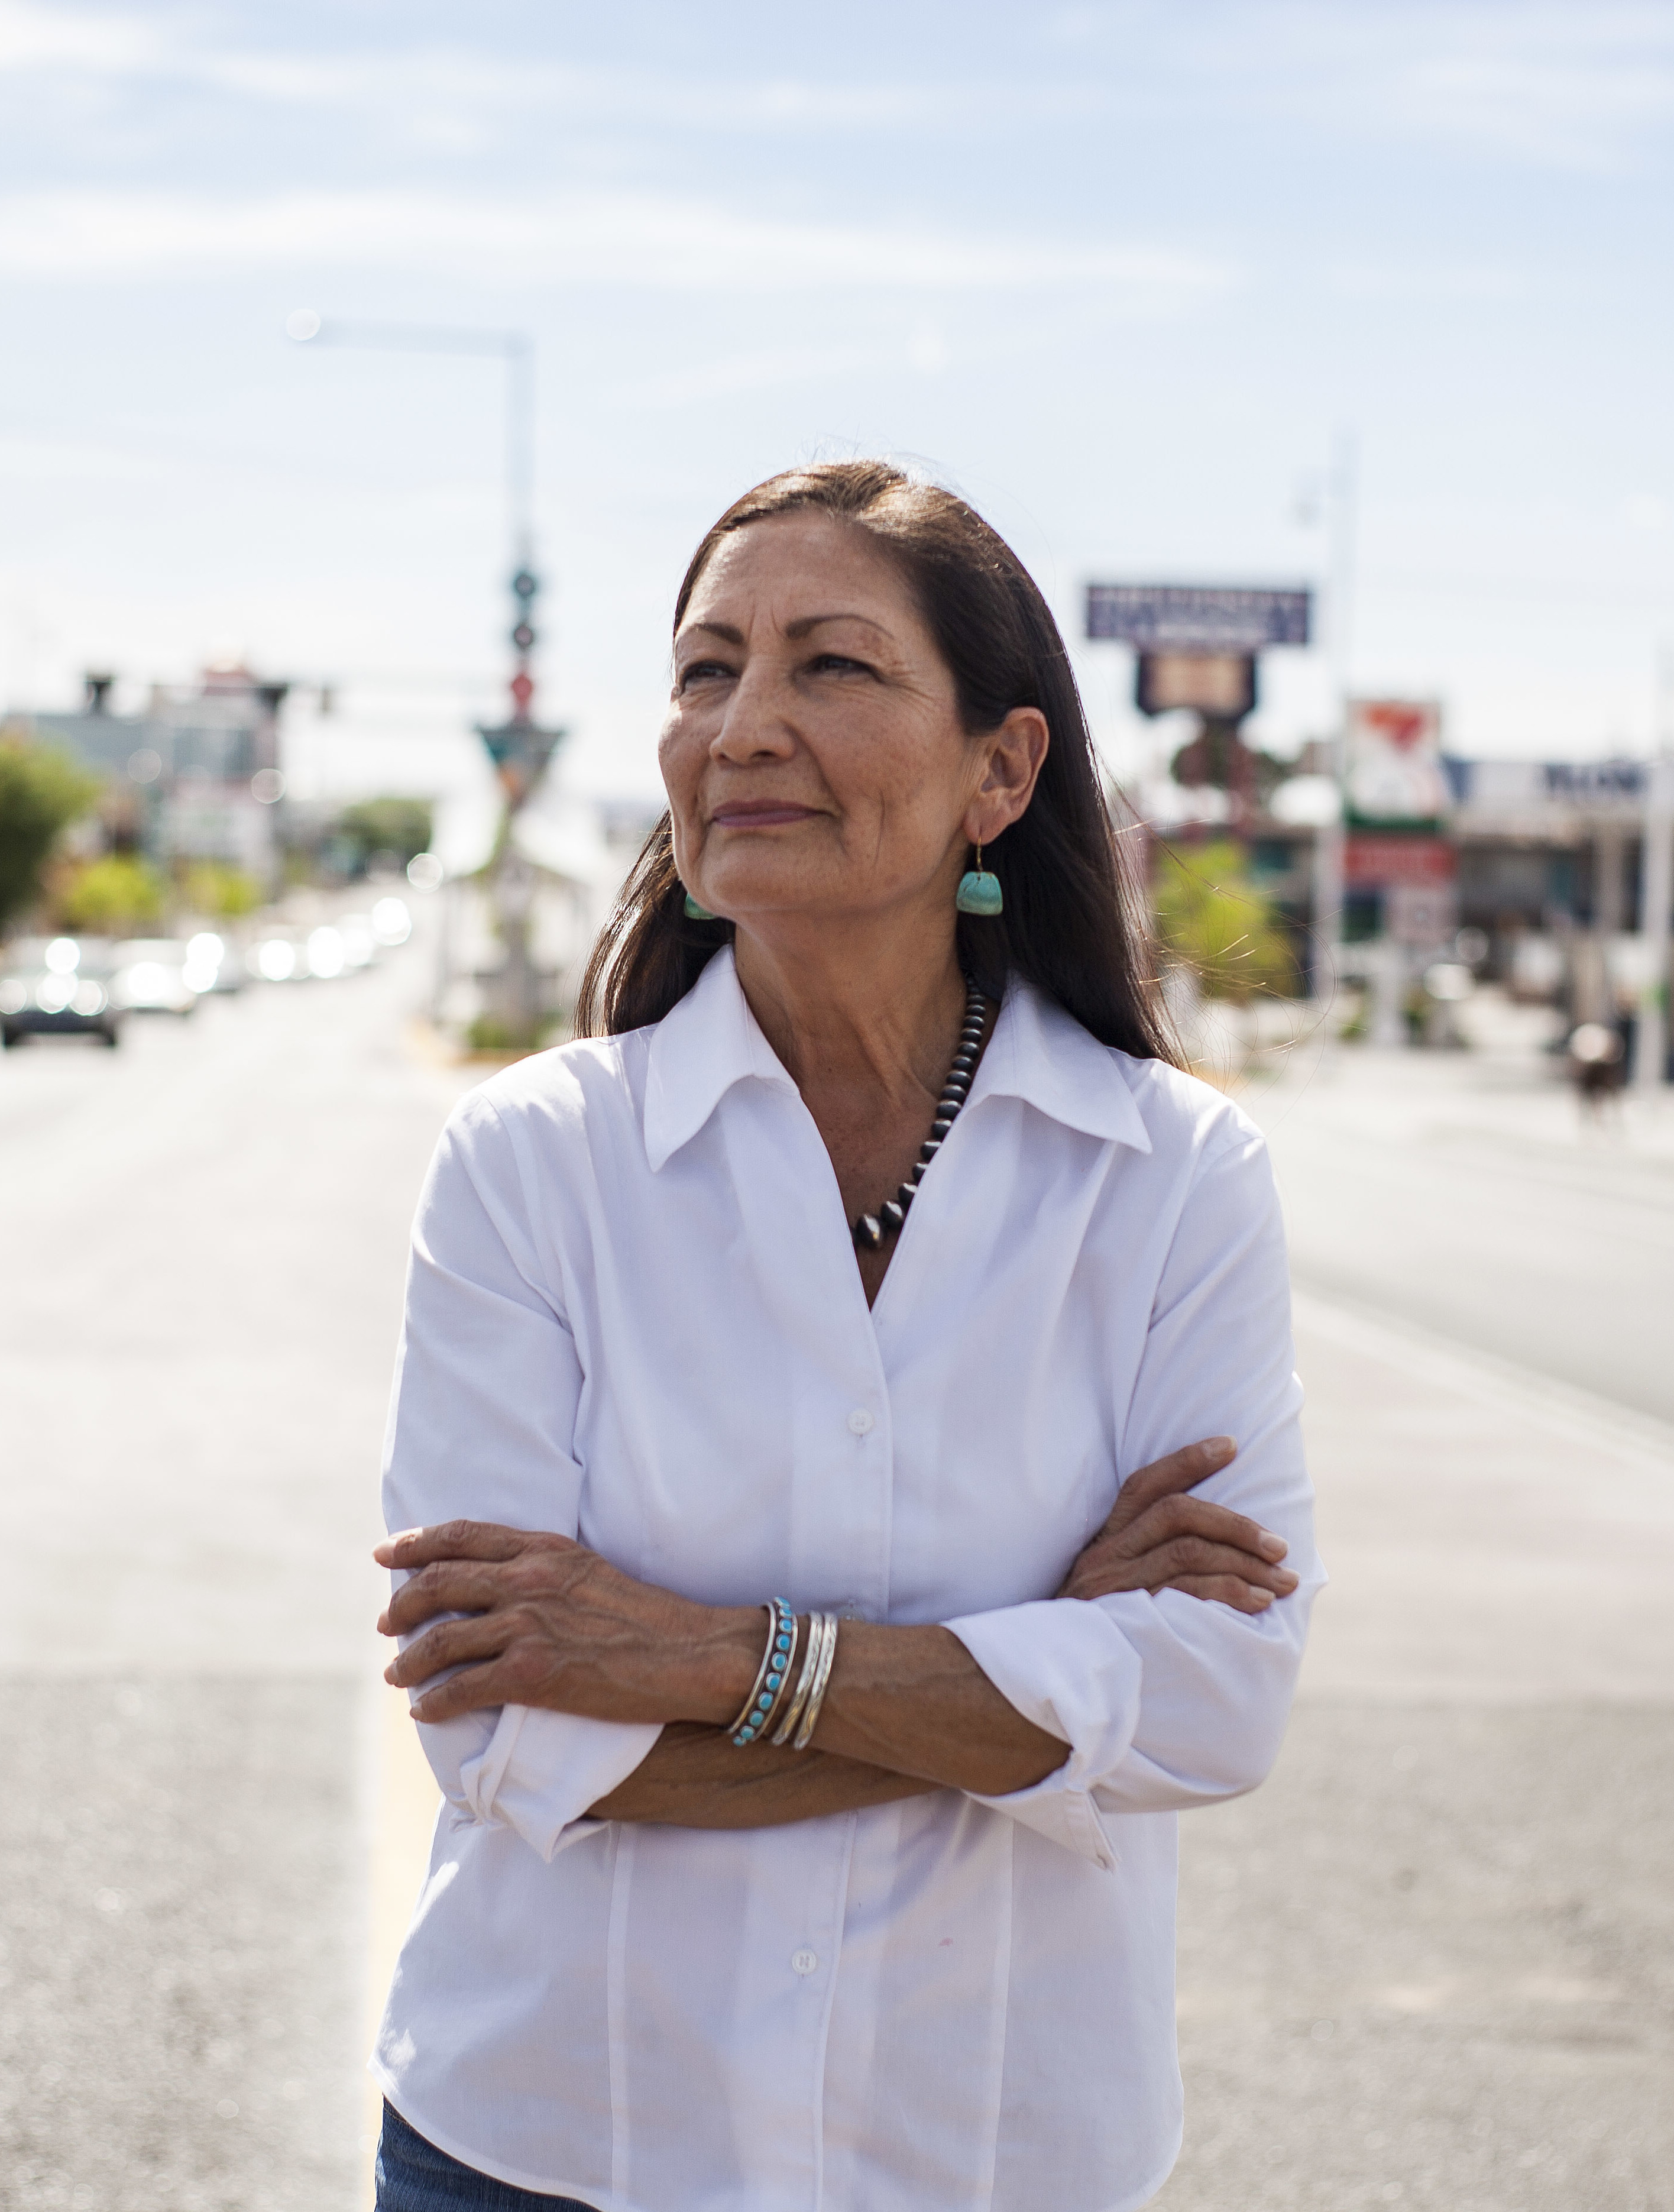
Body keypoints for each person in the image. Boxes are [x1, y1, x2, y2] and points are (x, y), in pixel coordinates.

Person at [373, 460, 1321, 2211]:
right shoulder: (534, 1165)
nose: (741, 726)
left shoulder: (1170, 1178)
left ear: (1000, 770)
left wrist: (696, 1653)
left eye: (830, 667)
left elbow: (1211, 1699)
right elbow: (501, 1731)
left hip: (983, 2151)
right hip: (555, 2140)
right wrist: (1026, 1681)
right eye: (704, 668)